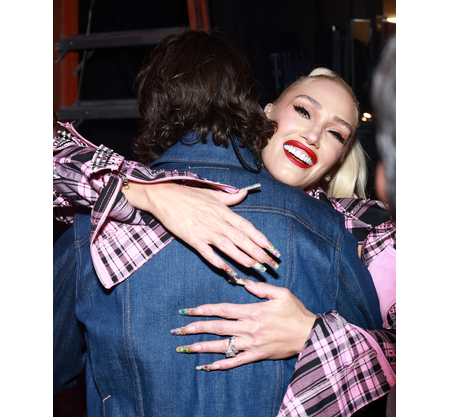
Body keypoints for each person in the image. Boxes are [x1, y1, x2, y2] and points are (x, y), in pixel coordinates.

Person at [53, 30, 382, 417]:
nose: (311, 136)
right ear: (262, 111)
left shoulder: (361, 228)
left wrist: (315, 334)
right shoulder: (331, 235)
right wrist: (141, 190)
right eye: (305, 111)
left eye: (335, 133)